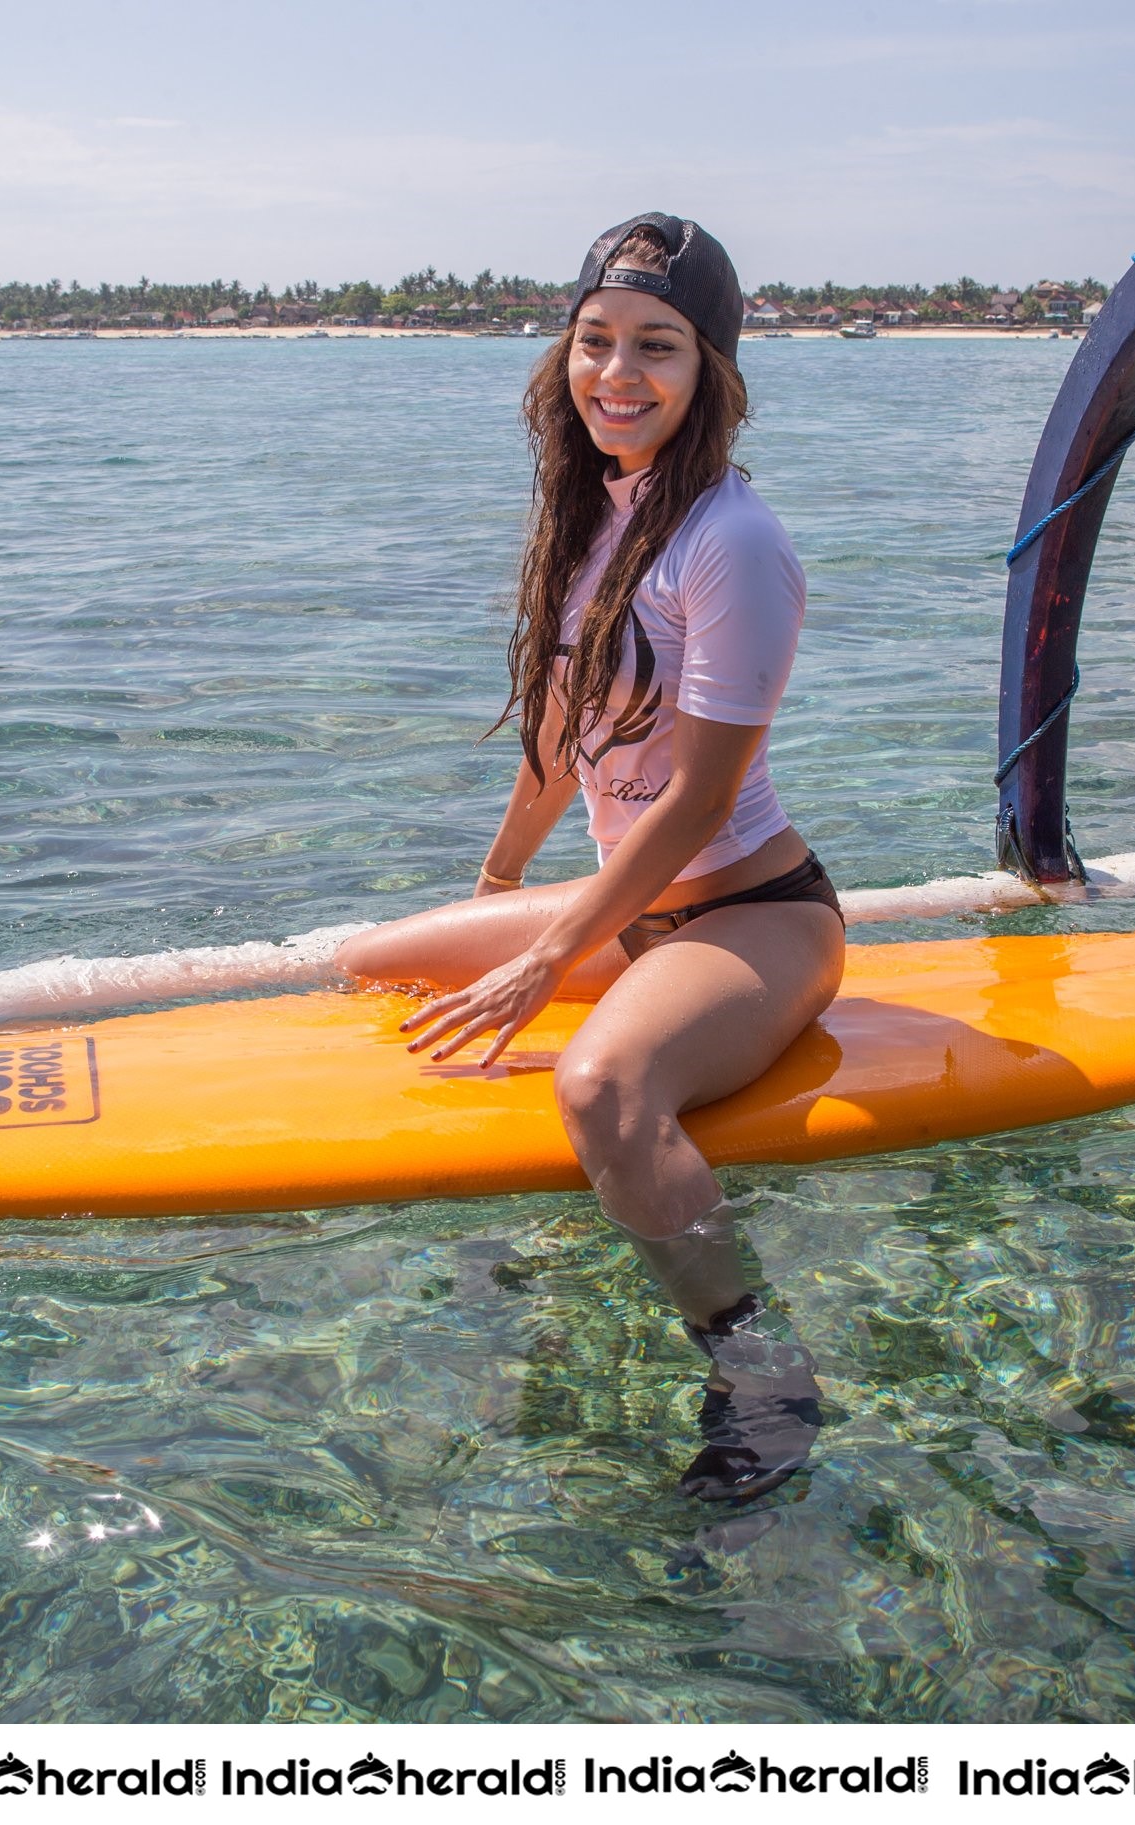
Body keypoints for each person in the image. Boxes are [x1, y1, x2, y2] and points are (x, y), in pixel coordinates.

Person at [334, 213, 841, 1500]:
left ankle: (763, 1375)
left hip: (754, 916)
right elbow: (563, 743)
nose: (617, 373)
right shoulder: (594, 515)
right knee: (374, 964)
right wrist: (499, 890)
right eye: (595, 339)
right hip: (634, 912)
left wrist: (548, 954)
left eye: (656, 346)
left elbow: (698, 798)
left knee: (603, 1089)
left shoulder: (731, 541)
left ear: (710, 368)